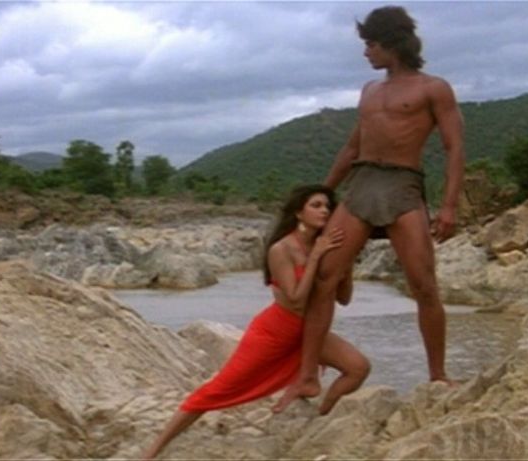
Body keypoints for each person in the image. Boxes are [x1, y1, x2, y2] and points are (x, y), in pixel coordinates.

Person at [272, 5, 465, 413]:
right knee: (325, 276)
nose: (365, 52)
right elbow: (351, 147)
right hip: (361, 185)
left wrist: (448, 206)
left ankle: (438, 374)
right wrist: (323, 193)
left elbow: (454, 147)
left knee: (423, 284)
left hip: (403, 186)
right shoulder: (369, 91)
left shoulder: (434, 89)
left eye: (371, 44)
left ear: (392, 43)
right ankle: (308, 375)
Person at [142, 185, 370, 459]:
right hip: (276, 331)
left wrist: (346, 265)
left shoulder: (325, 246)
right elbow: (296, 299)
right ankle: (153, 451)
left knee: (358, 368)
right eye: (316, 205)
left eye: (328, 207)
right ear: (299, 213)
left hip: (311, 331)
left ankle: (319, 419)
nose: (325, 211)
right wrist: (316, 258)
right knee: (217, 390)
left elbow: (343, 298)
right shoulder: (281, 249)